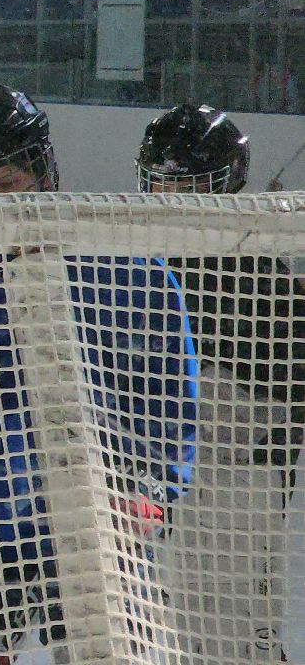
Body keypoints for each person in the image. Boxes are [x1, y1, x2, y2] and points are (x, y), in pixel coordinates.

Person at [0, 86, 197, 663]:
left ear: (41, 171)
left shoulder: (128, 267)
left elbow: (166, 396)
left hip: (99, 523)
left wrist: (151, 486)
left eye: (4, 185)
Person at [137, 104, 303, 662]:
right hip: (166, 481)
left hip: (238, 486)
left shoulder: (262, 280)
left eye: (186, 186)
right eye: (160, 183)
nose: (170, 199)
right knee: (171, 630)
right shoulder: (146, 269)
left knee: (231, 637)